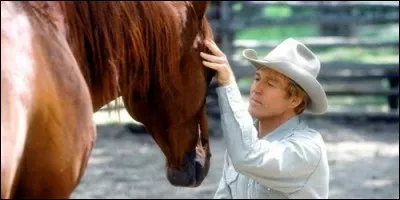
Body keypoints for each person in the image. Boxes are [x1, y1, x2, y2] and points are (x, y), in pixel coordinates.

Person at [200, 38, 330, 199]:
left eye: (271, 84)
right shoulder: (241, 140)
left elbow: (246, 156)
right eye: (257, 78)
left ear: (295, 100)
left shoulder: (308, 148)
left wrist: (227, 83)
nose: (256, 89)